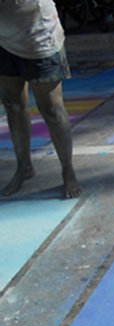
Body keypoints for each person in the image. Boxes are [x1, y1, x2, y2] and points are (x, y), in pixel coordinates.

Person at [0, 0, 81, 198]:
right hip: (4, 39)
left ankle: (67, 170)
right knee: (12, 105)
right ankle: (24, 166)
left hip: (39, 36)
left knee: (52, 110)